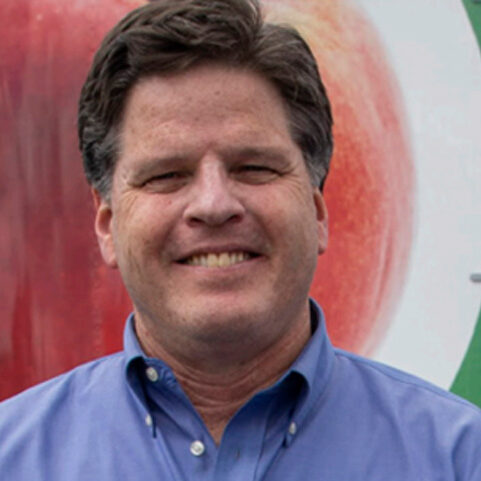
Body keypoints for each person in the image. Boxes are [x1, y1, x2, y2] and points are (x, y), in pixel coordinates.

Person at [0, 0, 480, 479]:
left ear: (317, 213)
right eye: (167, 175)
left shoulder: (459, 458)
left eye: (254, 168)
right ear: (107, 226)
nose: (213, 204)